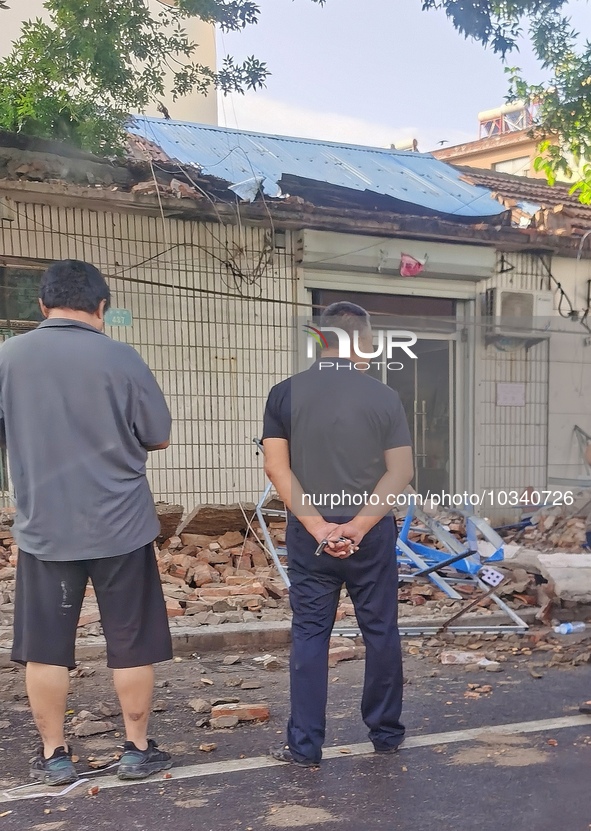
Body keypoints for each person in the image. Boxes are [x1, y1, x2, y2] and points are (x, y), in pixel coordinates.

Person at [0, 260, 174, 785]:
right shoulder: (122, 358)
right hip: (122, 527)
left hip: (44, 528)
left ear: (42, 305)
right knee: (131, 640)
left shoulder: (8, 357)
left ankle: (55, 756)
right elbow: (159, 434)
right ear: (102, 307)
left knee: (46, 646)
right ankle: (137, 750)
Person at [262, 301, 414, 766]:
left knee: (310, 633)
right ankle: (385, 734)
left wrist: (320, 527)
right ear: (359, 342)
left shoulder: (284, 394)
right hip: (371, 534)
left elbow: (276, 468)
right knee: (380, 630)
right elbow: (401, 471)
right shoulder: (383, 397)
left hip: (312, 536)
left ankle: (305, 746)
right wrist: (361, 525)